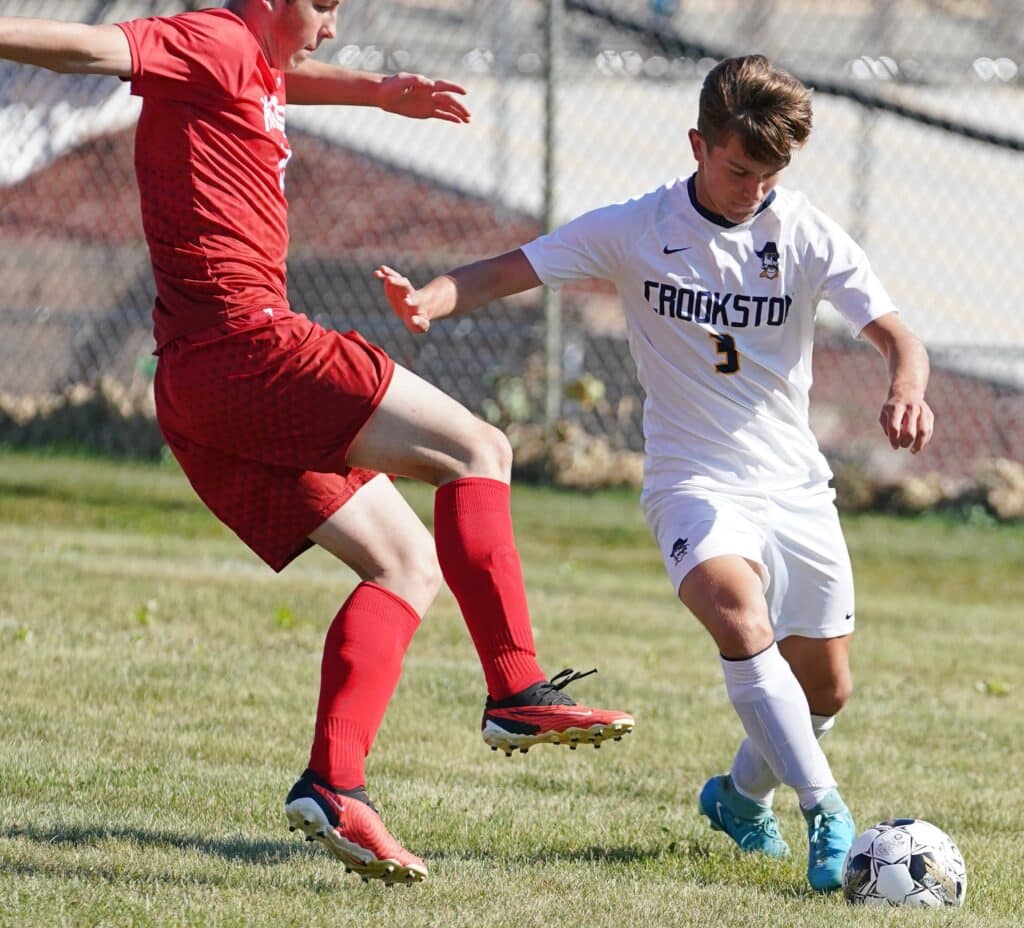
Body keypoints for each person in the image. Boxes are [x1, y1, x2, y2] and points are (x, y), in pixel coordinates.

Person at [0, 0, 634, 887]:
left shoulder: (245, 61)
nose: (332, 24)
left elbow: (278, 78)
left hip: (199, 386)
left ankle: (334, 787)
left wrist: (380, 94)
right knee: (480, 451)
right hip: (250, 350)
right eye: (323, 6)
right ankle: (513, 688)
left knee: (403, 563)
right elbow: (92, 50)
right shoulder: (207, 38)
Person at [377, 54, 935, 892]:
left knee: (827, 693)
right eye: (741, 169)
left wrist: (905, 386)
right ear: (697, 146)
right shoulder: (638, 228)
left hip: (795, 488)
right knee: (739, 616)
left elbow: (899, 335)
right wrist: (429, 300)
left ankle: (740, 799)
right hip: (693, 481)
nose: (756, 189)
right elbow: (511, 268)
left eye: (772, 173)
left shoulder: (806, 232)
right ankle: (828, 812)